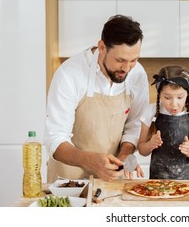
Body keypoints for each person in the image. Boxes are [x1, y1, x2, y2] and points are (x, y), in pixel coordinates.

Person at [44, 14, 149, 182]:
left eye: (134, 60)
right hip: (68, 183)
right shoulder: (69, 74)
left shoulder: (137, 74)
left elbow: (134, 125)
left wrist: (124, 156)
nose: (127, 68)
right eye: (120, 60)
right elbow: (55, 138)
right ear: (102, 48)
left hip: (111, 181)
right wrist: (90, 161)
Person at [138, 65, 189, 180]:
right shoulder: (150, 112)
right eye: (167, 97)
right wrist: (150, 144)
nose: (174, 104)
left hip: (188, 184)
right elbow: (142, 149)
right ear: (159, 94)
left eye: (180, 97)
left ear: (187, 94)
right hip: (157, 183)